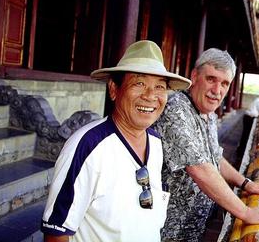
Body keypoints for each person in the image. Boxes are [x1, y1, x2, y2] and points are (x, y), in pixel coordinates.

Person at [40, 40, 191, 241]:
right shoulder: (87, 145)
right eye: (139, 83)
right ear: (114, 89)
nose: (150, 96)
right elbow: (56, 232)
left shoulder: (155, 143)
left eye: (160, 87)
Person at [153, 49, 259, 241]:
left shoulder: (209, 113)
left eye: (225, 83)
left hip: (193, 229)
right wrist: (245, 212)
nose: (217, 90)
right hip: (166, 229)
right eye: (211, 79)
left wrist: (245, 183)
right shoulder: (176, 109)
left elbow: (214, 158)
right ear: (195, 76)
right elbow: (199, 168)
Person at [236, 89, 259, 155]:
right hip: (249, 118)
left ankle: (241, 150)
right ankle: (240, 151)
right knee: (246, 135)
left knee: (246, 135)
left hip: (249, 117)